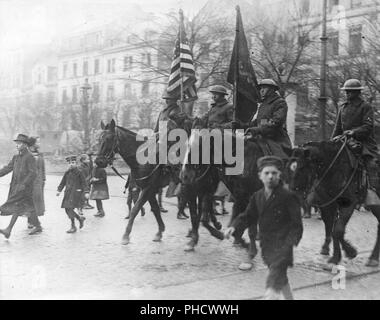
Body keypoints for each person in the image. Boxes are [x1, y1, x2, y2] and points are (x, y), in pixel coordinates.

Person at [225, 156, 303, 300]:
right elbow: (248, 215)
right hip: (266, 245)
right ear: (260, 176)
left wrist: (290, 243)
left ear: (280, 175)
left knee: (272, 282)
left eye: (274, 173)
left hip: (283, 246)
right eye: (266, 173)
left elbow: (297, 226)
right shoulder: (257, 196)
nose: (270, 177)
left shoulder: (288, 196)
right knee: (281, 277)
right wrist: (234, 227)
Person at [331, 79, 380, 192]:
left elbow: (368, 126)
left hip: (364, 143)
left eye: (350, 92)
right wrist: (332, 141)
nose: (347, 94)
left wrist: (354, 132)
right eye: (346, 91)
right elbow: (337, 128)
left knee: (372, 165)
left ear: (358, 92)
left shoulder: (365, 107)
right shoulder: (342, 107)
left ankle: (373, 190)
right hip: (344, 142)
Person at [235, 79, 292, 159]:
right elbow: (256, 122)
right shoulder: (263, 105)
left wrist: (258, 129)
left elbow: (276, 122)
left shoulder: (280, 102)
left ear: (272, 90)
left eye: (264, 88)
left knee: (276, 160)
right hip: (261, 136)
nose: (261, 90)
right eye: (261, 88)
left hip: (275, 138)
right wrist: (241, 125)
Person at [0, 134, 37, 239]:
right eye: (16, 143)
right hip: (17, 187)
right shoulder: (16, 157)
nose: (17, 145)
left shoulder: (29, 157)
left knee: (13, 205)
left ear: (25, 145)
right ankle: (37, 226)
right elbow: (8, 168)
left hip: (25, 188)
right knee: (27, 207)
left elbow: (33, 173)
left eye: (19, 143)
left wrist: (24, 184)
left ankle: (8, 230)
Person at [56, 155, 88, 233]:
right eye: (69, 163)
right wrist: (59, 190)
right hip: (68, 193)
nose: (71, 164)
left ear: (76, 163)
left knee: (69, 209)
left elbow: (84, 183)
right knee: (67, 209)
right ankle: (79, 219)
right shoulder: (67, 172)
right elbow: (63, 182)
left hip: (76, 194)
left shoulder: (79, 172)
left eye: (73, 162)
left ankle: (73, 226)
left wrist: (86, 192)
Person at [27, 136, 45, 235]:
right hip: (30, 182)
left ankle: (34, 221)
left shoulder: (40, 154)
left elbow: (42, 168)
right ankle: (32, 221)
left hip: (39, 181)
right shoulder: (27, 154)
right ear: (33, 144)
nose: (39, 143)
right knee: (30, 200)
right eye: (38, 142)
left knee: (37, 201)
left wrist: (44, 179)